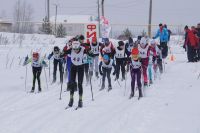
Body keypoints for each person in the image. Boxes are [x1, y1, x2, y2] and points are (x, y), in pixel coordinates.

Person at [61, 41, 92, 108]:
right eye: (74, 49)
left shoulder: (83, 50)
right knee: (72, 83)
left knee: (80, 83)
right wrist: (62, 54)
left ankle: (80, 100)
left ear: (79, 47)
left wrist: (90, 53)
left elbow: (91, 54)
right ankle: (71, 99)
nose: (75, 51)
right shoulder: (71, 50)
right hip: (73, 67)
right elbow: (63, 53)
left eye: (77, 49)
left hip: (80, 67)